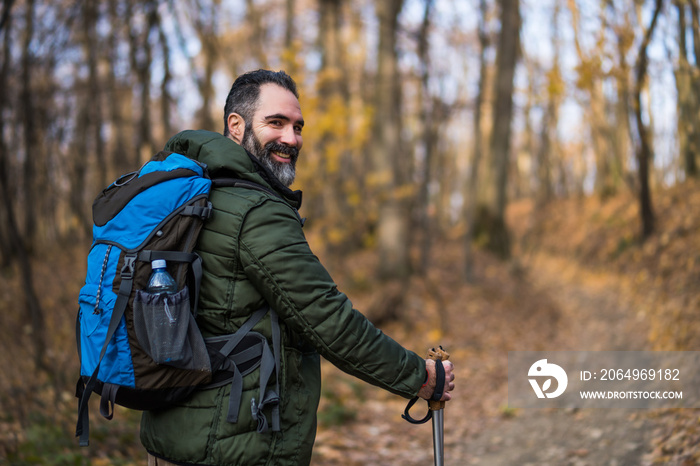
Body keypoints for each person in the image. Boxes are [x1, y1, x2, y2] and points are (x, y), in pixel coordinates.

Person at [140, 69, 455, 465]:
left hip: (173, 439)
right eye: (276, 123)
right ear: (235, 126)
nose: (291, 138)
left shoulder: (195, 195)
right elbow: (329, 321)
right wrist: (420, 377)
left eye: (298, 126)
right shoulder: (255, 212)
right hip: (231, 446)